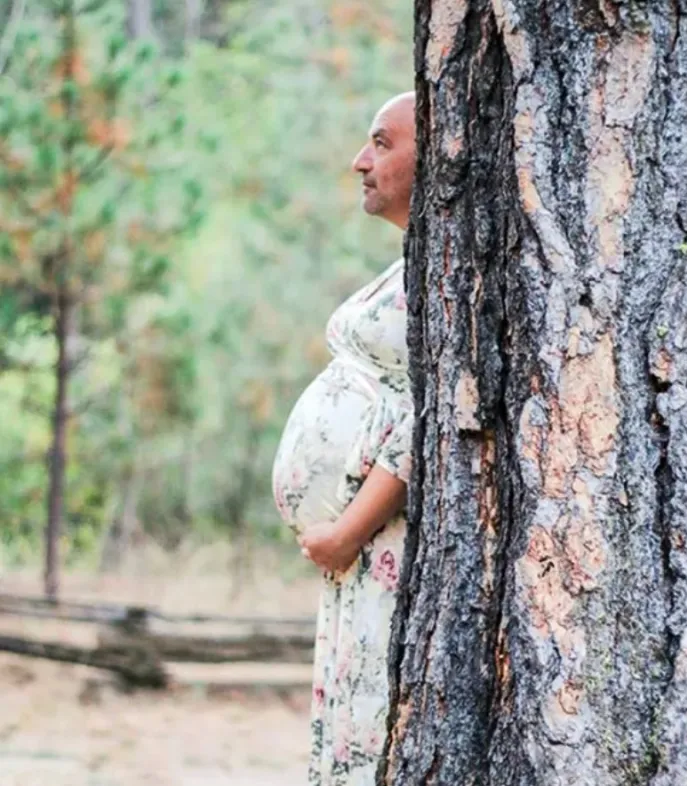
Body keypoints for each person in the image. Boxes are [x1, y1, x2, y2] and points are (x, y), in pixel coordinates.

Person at [271, 91, 416, 785]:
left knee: (381, 729)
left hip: (381, 543)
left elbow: (434, 419)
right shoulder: (412, 265)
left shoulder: (457, 276)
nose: (360, 161)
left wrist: (348, 530)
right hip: (358, 555)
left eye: (383, 144)